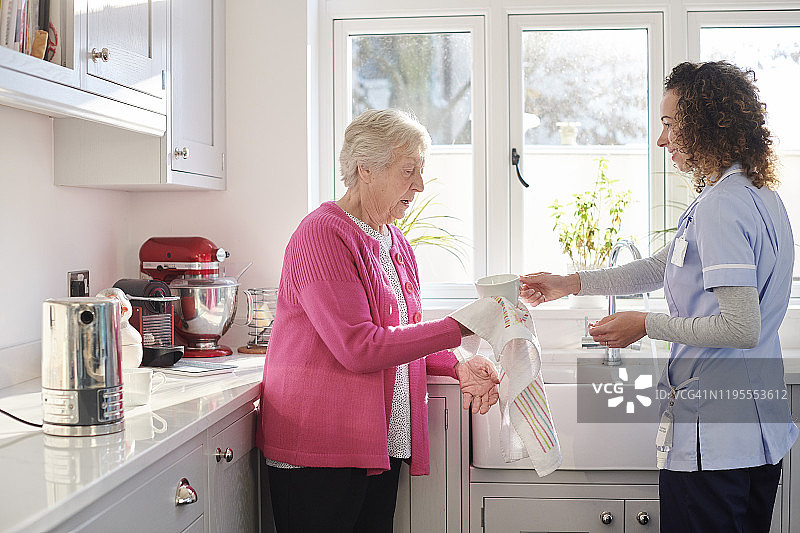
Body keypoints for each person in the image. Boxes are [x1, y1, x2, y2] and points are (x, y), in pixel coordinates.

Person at [519, 61, 797, 532]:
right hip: (754, 434)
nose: (661, 139)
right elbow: (659, 266)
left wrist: (645, 324)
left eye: (670, 123)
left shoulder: (721, 206)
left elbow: (740, 326)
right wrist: (572, 282)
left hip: (714, 440)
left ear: (703, 124)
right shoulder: (758, 195)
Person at [256, 108, 500, 533]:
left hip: (379, 445)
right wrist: (462, 326)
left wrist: (455, 363)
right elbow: (359, 347)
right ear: (365, 169)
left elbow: (401, 336)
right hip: (320, 449)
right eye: (409, 171)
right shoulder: (322, 234)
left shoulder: (393, 238)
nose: (419, 186)